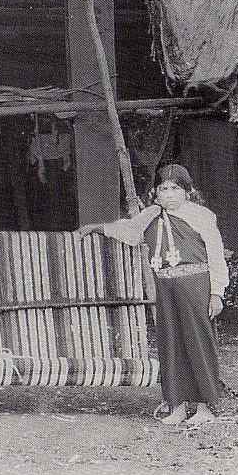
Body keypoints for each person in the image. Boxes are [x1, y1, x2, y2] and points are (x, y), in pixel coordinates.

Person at [76, 164, 228, 426]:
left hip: (195, 285)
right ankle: (177, 405)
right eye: (164, 188)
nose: (169, 194)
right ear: (156, 192)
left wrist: (217, 293)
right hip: (165, 288)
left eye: (175, 189)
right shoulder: (151, 215)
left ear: (188, 191)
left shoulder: (202, 216)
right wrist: (97, 227)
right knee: (170, 344)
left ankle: (205, 407)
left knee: (198, 342)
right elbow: (129, 231)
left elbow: (216, 254)